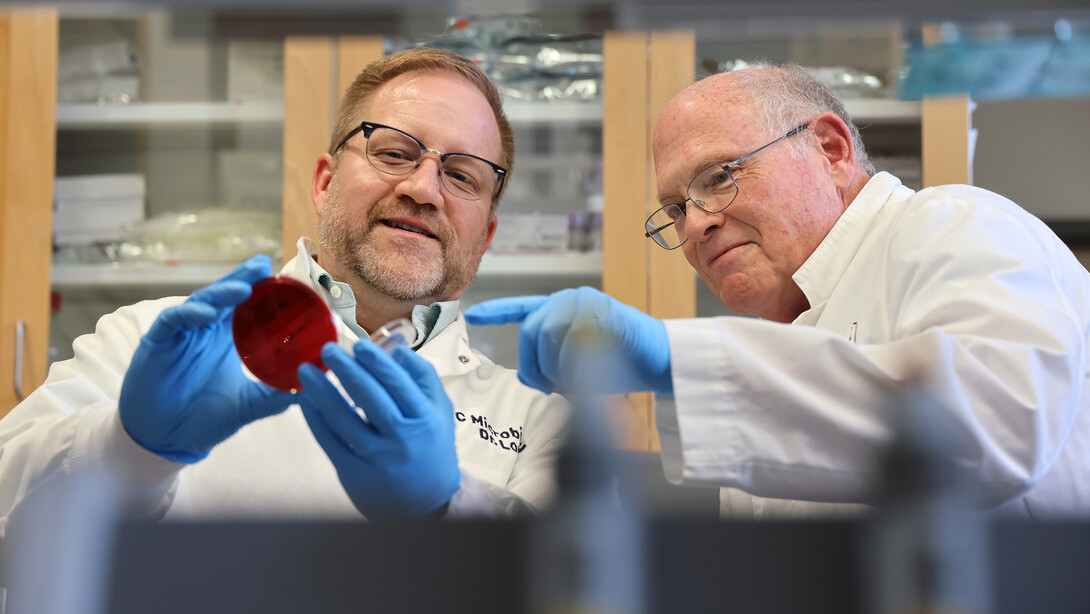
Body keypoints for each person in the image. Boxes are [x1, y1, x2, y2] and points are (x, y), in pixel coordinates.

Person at [466, 63, 1090, 520]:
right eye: (676, 208)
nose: (697, 224)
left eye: (720, 176)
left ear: (831, 148)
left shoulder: (954, 224)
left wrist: (673, 357)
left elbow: (987, 424)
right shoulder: (784, 340)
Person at [0, 47, 570, 532]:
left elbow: (571, 588)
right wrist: (128, 447)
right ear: (325, 183)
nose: (424, 189)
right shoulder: (153, 346)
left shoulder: (539, 419)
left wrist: (444, 510)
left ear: (487, 233)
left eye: (462, 175)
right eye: (394, 152)